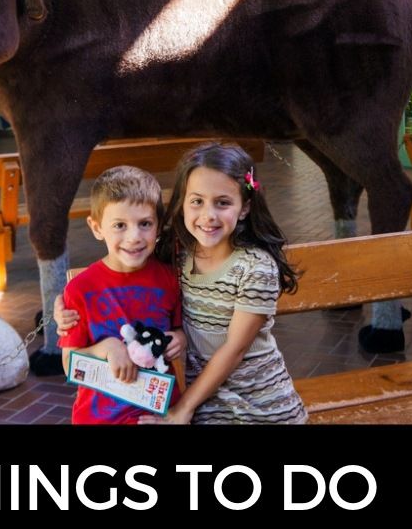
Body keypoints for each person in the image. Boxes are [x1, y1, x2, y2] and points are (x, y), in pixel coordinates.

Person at [56, 142, 305, 425]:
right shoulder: (179, 256)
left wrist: (183, 403)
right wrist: (64, 306)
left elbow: (233, 349)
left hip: (258, 407)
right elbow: (74, 353)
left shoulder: (252, 267)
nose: (208, 215)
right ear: (183, 204)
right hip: (203, 406)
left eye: (222, 202)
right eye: (197, 201)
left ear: (245, 207)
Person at [55, 165, 185, 425]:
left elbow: (180, 329)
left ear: (158, 226)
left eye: (145, 224)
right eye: (119, 225)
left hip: (159, 415)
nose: (134, 237)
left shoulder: (170, 279)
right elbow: (70, 364)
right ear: (96, 227)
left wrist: (180, 338)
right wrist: (107, 347)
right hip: (98, 418)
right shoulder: (81, 289)